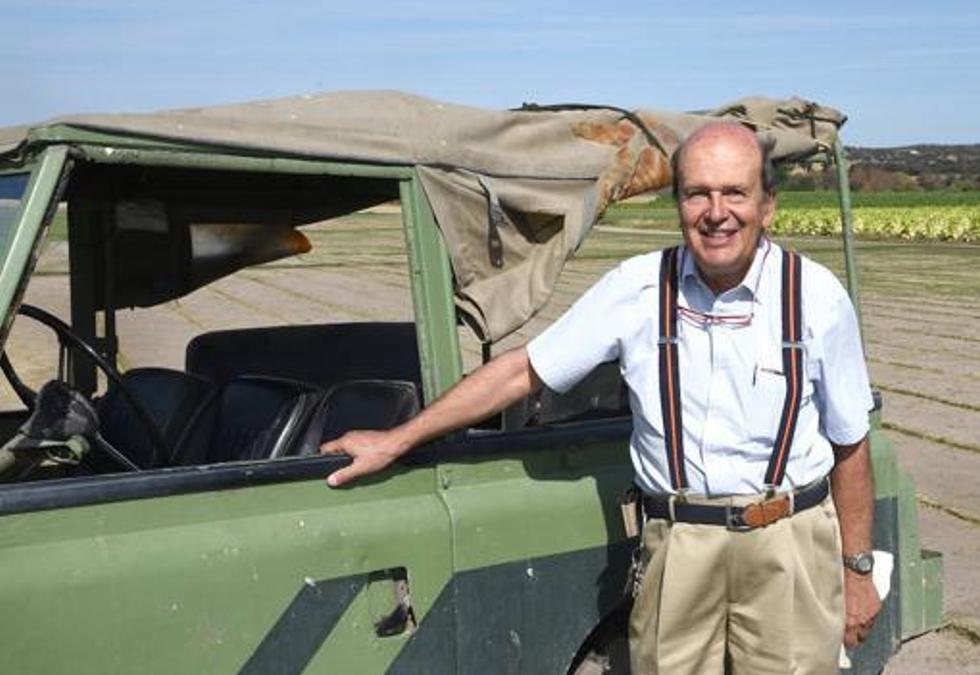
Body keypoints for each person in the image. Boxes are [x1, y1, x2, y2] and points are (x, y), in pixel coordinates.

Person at [321, 122, 881, 674]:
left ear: (768, 206)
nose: (716, 212)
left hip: (786, 540)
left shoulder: (816, 297)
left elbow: (851, 443)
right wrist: (397, 439)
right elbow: (523, 372)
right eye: (697, 194)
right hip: (680, 545)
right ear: (678, 203)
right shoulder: (636, 289)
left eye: (735, 192)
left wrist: (856, 572)